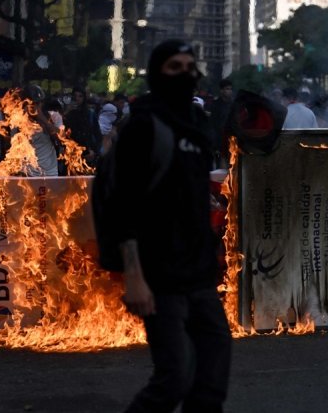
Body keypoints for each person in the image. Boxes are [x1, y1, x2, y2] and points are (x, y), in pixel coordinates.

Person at [112, 39, 231, 411]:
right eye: (173, 67)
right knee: (174, 378)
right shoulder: (143, 125)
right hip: (160, 276)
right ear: (156, 73)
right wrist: (133, 276)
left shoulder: (197, 125)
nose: (184, 74)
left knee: (212, 377)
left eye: (188, 66)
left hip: (199, 274)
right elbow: (121, 204)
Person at [23, 84, 60, 176]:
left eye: (37, 103)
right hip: (29, 171)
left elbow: (61, 138)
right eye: (31, 104)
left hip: (50, 171)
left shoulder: (53, 116)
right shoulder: (18, 120)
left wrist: (42, 119)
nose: (34, 107)